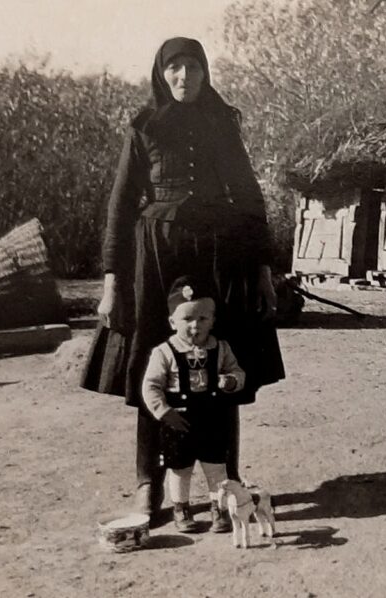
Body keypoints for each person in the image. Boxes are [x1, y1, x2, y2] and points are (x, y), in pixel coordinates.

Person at [81, 37, 285, 517]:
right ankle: (148, 483)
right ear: (161, 73)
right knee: (152, 364)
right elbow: (120, 207)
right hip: (156, 258)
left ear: (204, 72)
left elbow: (248, 196)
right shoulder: (143, 127)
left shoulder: (222, 124)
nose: (184, 77)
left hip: (220, 256)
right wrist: (112, 283)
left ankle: (227, 480)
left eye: (192, 67)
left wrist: (262, 270)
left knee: (222, 359)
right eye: (174, 67)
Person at [142, 276, 245, 533]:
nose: (195, 325)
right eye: (187, 319)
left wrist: (231, 381)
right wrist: (164, 412)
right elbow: (151, 386)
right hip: (179, 420)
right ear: (172, 322)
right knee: (180, 469)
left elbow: (237, 371)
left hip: (212, 418)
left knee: (216, 467)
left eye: (202, 318)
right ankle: (181, 508)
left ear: (213, 321)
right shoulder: (164, 352)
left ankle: (219, 508)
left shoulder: (221, 348)